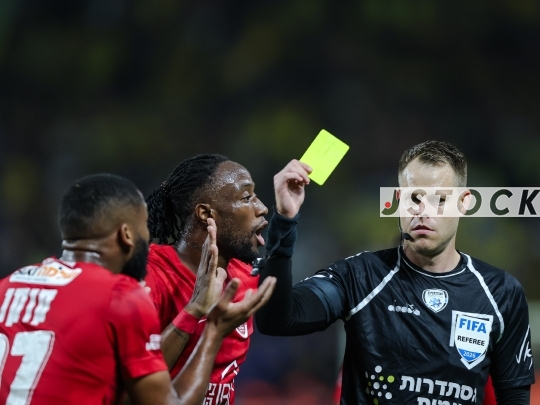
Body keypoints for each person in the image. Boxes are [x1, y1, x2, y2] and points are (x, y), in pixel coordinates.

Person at [255, 141, 535, 404]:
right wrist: (284, 220)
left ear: (464, 203)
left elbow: (514, 396)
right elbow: (276, 320)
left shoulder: (501, 292)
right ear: (399, 200)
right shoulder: (360, 276)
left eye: (439, 199)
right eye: (415, 198)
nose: (423, 211)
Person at [0, 173, 275, 405]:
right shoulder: (120, 296)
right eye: (144, 226)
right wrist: (213, 330)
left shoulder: (9, 284)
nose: (150, 239)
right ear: (126, 234)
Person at [144, 154, 269, 405]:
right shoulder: (150, 276)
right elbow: (133, 383)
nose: (262, 208)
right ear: (205, 213)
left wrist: (288, 217)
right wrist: (194, 310)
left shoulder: (246, 277)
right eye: (246, 197)